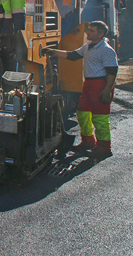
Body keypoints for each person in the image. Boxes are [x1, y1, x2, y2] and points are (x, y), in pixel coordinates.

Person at [45, 21, 118, 158]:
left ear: (100, 34)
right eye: (88, 30)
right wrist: (52, 52)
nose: (87, 32)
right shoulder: (88, 46)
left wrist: (107, 89)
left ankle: (104, 147)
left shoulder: (106, 50)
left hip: (101, 84)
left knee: (100, 118)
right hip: (89, 83)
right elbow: (72, 55)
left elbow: (112, 71)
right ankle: (88, 141)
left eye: (91, 31)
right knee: (83, 113)